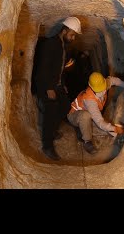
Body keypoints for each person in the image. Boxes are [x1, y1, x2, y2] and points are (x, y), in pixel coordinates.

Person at [34, 17, 82, 161]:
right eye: (72, 34)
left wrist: (63, 84)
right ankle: (47, 145)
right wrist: (49, 88)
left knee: (66, 106)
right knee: (51, 109)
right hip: (45, 84)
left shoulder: (63, 47)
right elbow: (43, 68)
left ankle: (53, 130)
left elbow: (59, 69)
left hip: (57, 84)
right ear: (64, 30)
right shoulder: (51, 43)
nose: (73, 38)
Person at [67, 72, 124, 154]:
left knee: (105, 129)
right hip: (74, 115)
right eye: (99, 90)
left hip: (89, 113)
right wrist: (115, 128)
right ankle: (87, 141)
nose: (103, 91)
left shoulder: (104, 84)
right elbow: (99, 121)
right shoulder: (89, 100)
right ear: (91, 87)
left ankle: (84, 128)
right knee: (86, 116)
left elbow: (113, 80)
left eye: (103, 88)